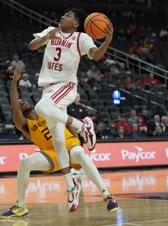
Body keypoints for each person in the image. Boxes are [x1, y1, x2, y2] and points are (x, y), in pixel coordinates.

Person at [1, 65, 118, 218]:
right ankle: (20, 205)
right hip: (51, 153)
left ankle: (107, 195)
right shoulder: (24, 125)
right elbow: (15, 108)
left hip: (68, 143)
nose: (22, 102)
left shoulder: (45, 109)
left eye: (23, 100)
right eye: (20, 102)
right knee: (25, 163)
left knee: (81, 155)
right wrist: (14, 83)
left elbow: (67, 121)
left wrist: (77, 137)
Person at [28, 8, 113, 211]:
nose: (62, 16)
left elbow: (95, 55)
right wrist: (45, 38)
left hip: (65, 86)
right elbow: (31, 46)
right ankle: (71, 186)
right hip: (48, 89)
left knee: (40, 108)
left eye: (67, 15)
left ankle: (82, 126)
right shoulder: (51, 30)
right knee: (58, 140)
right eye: (62, 14)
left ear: (75, 23)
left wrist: (107, 41)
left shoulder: (81, 37)